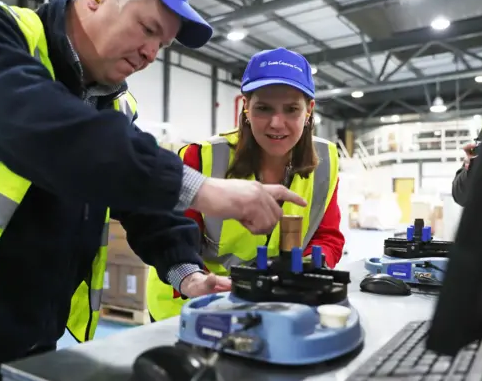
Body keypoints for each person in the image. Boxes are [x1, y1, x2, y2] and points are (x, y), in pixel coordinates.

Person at [0, 0, 306, 381]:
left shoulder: (111, 106)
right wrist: (206, 189)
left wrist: (189, 274)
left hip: (29, 340)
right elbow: (49, 131)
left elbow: (142, 202)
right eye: (147, 29)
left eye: (160, 44)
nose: (150, 54)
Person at [146, 48, 346, 321]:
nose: (277, 124)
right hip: (194, 304)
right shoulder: (202, 157)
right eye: (264, 108)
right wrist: (193, 278)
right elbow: (174, 237)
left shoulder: (326, 161)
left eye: (291, 109)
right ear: (247, 108)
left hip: (270, 303)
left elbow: (328, 236)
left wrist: (307, 269)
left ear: (309, 110)